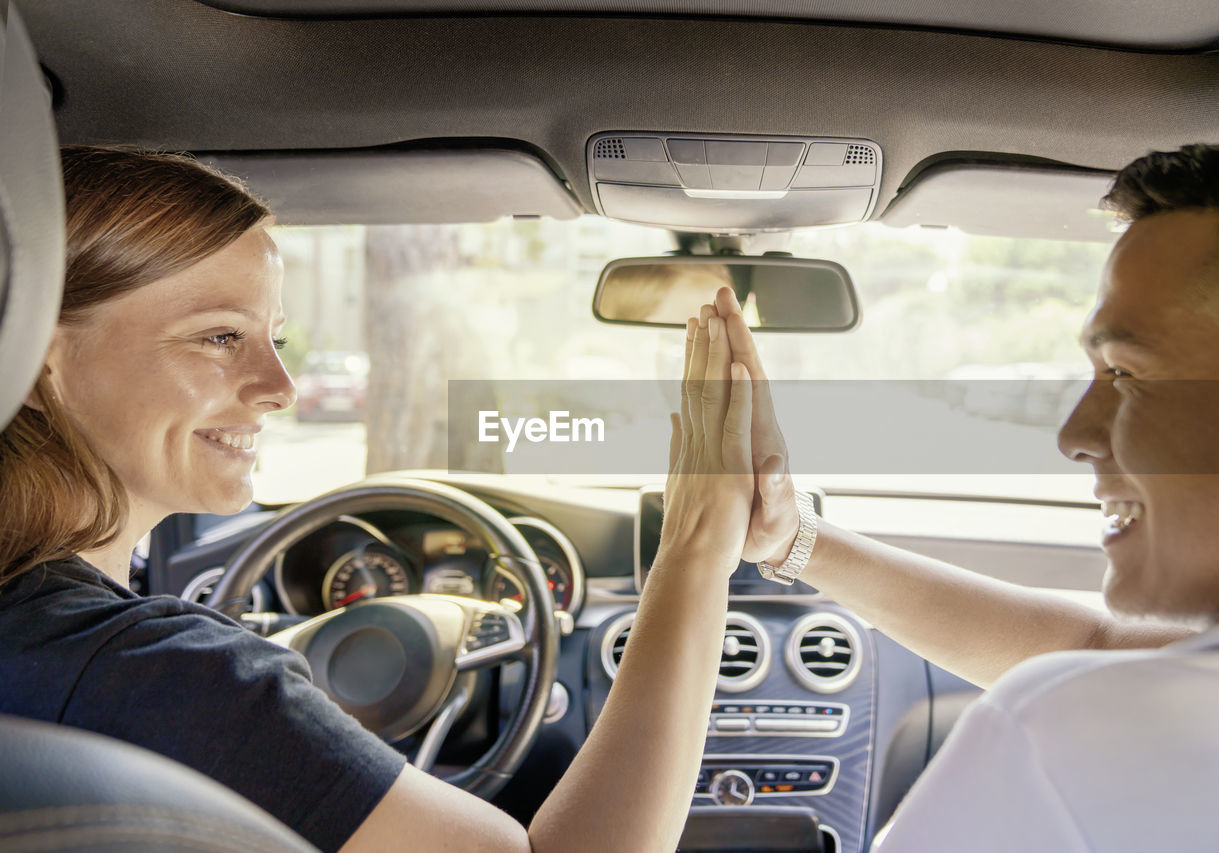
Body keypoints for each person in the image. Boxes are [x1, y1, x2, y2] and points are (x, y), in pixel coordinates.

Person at [0, 146, 757, 853]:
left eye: (274, 336)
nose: (281, 388)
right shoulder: (170, 679)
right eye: (220, 337)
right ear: (38, 363)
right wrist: (695, 547)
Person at [702, 128, 1219, 849]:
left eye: (1128, 374)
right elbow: (1091, 642)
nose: (1074, 433)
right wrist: (793, 541)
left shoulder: (1067, 733)